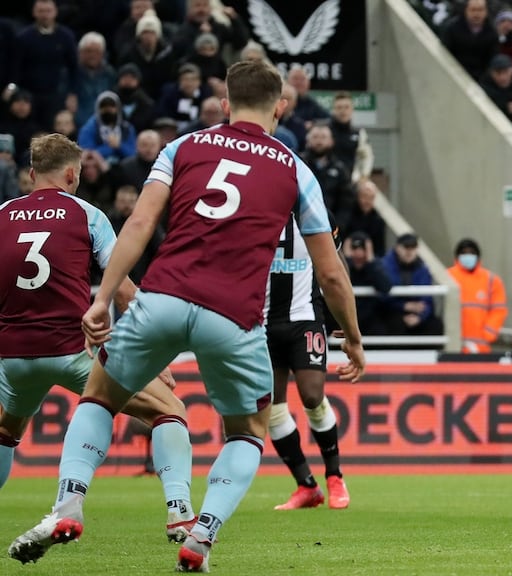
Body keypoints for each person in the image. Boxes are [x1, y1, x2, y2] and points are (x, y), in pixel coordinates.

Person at [7, 60, 366, 572]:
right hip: (236, 318)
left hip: (161, 300)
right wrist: (352, 339)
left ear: (224, 104)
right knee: (246, 432)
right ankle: (201, 534)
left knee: (100, 397)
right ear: (281, 108)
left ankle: (68, 506)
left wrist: (102, 298)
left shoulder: (184, 147)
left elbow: (139, 224)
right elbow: (330, 273)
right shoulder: (294, 168)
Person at [0, 134, 195, 546]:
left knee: (5, 429)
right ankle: (179, 513)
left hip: (11, 355)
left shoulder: (2, 214)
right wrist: (154, 353)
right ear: (73, 174)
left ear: (32, 174)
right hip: (74, 350)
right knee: (169, 409)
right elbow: (124, 291)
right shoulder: (87, 215)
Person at [265, 213, 350, 512]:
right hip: (261, 323)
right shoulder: (250, 206)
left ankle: (335, 476)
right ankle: (306, 485)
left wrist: (345, 313)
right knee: (270, 407)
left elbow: (336, 264)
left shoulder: (313, 212)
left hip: (305, 318)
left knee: (312, 396)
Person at [448, 238, 507, 353]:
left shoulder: (491, 280)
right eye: (464, 253)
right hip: (454, 344)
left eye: (471, 253)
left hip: (481, 346)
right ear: (457, 256)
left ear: (478, 256)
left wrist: (488, 333)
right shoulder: (448, 276)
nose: (468, 256)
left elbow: (498, 310)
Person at [380, 233, 444, 336]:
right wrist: (404, 306)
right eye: (406, 247)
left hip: (416, 312)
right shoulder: (384, 266)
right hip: (392, 311)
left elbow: (428, 300)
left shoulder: (423, 268)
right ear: (397, 248)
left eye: (413, 247)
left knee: (435, 325)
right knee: (393, 324)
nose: (409, 251)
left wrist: (420, 316)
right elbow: (383, 297)